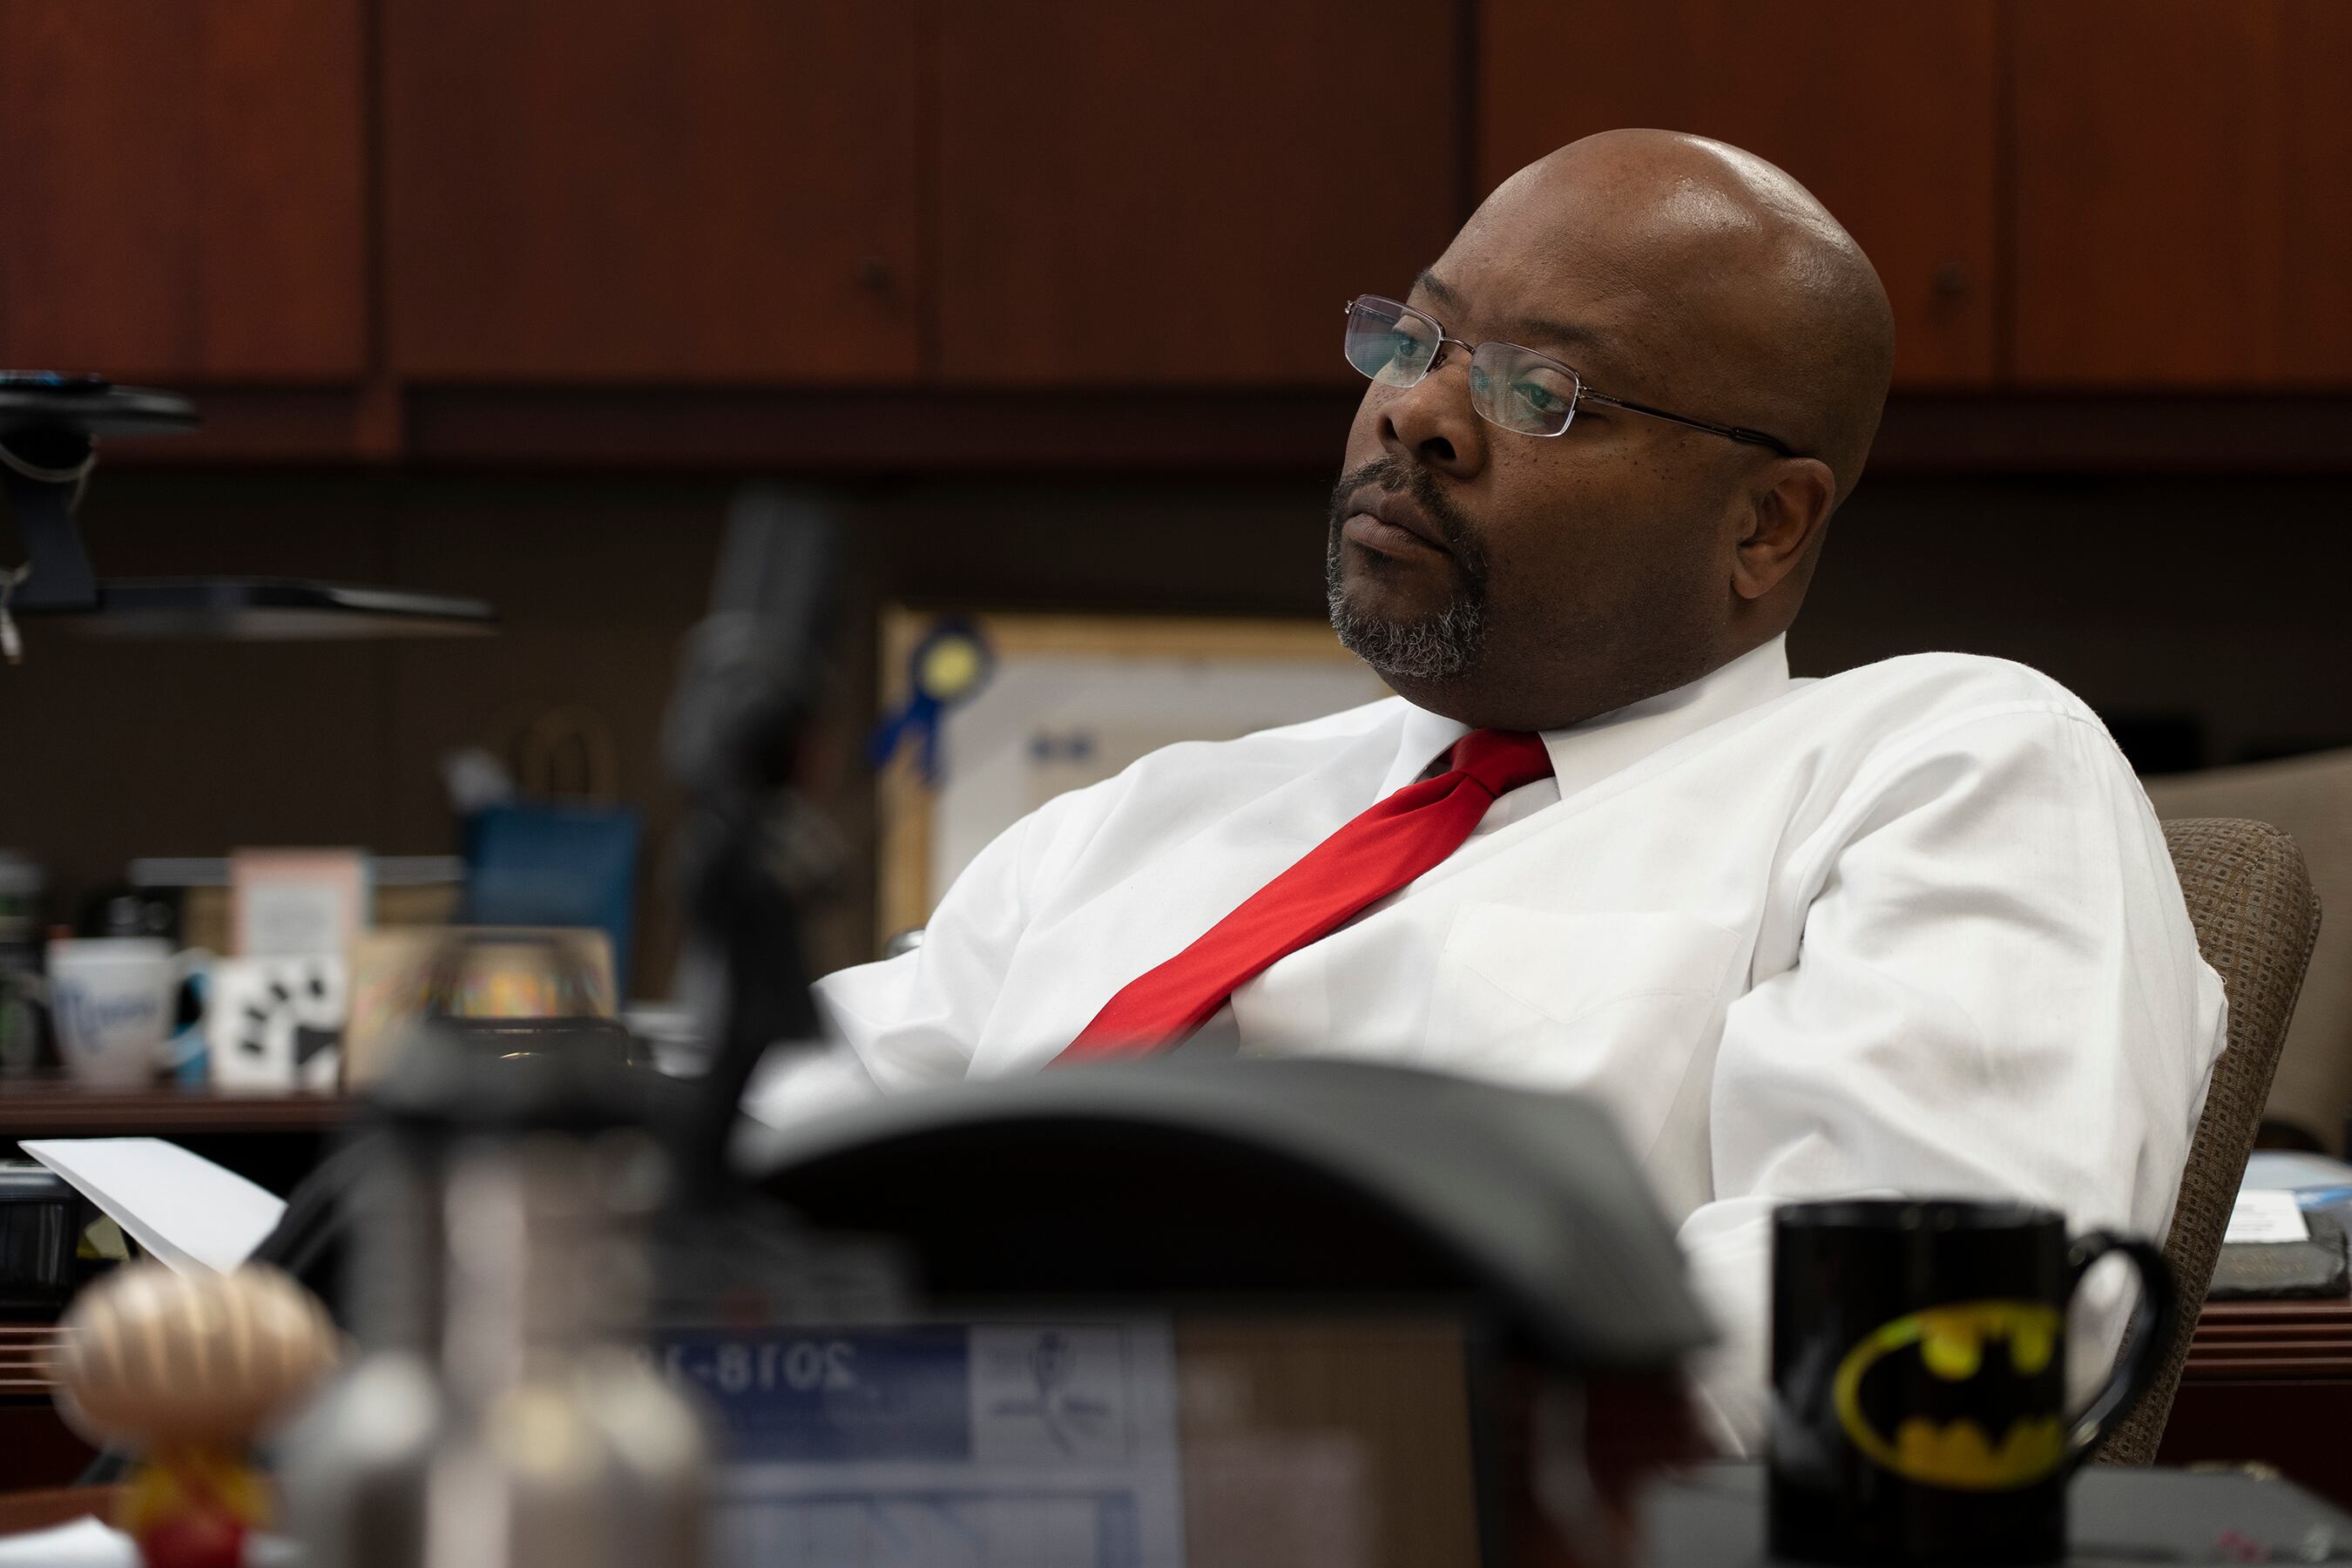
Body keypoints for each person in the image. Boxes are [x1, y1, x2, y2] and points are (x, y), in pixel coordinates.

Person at [759, 129, 2226, 1452]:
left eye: (1542, 394)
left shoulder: (1937, 765)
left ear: (1768, 527)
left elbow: (1925, 1320)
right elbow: (780, 1153)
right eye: (1415, 341)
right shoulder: (1155, 817)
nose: (1421, 417)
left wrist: (1264, 1413)